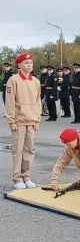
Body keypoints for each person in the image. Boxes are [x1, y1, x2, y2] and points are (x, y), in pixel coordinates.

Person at [5, 52, 41, 189]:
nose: (29, 65)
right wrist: (11, 120)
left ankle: (27, 177)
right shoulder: (13, 80)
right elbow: (10, 102)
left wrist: (37, 120)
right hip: (19, 121)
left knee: (29, 150)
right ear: (19, 65)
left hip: (31, 121)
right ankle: (17, 178)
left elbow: (38, 102)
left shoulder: (36, 81)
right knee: (18, 150)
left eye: (31, 63)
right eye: (26, 63)